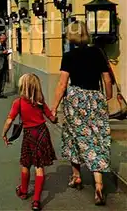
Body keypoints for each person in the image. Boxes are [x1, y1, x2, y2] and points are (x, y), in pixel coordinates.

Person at [51, 21, 112, 206]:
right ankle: (99, 184)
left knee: (74, 137)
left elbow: (62, 85)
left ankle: (76, 176)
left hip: (76, 100)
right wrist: (107, 96)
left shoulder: (69, 56)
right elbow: (106, 78)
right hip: (95, 99)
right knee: (96, 138)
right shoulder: (98, 52)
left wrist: (54, 107)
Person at [1, 74, 57, 211]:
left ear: (22, 87)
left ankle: (24, 191)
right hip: (42, 133)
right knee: (39, 167)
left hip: (29, 135)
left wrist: (4, 134)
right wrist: (54, 117)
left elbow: (10, 120)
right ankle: (36, 201)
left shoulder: (18, 102)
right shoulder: (40, 102)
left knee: (25, 163)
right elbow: (51, 117)